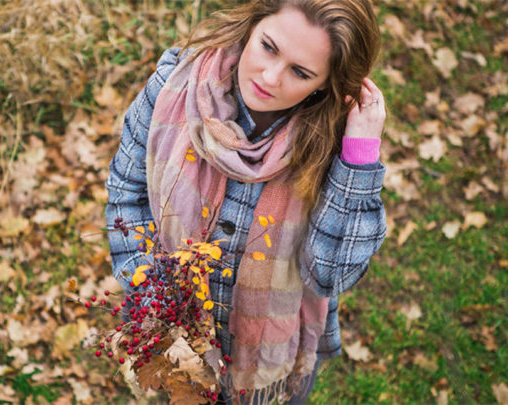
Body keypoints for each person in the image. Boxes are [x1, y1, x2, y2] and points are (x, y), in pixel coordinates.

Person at [105, 0, 387, 403]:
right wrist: (152, 293)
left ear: (325, 83)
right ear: (253, 25)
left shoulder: (335, 143)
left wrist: (360, 157)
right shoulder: (174, 85)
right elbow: (125, 195)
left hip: (272, 362)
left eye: (301, 72)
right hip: (176, 341)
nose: (270, 78)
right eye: (268, 47)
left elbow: (330, 274)